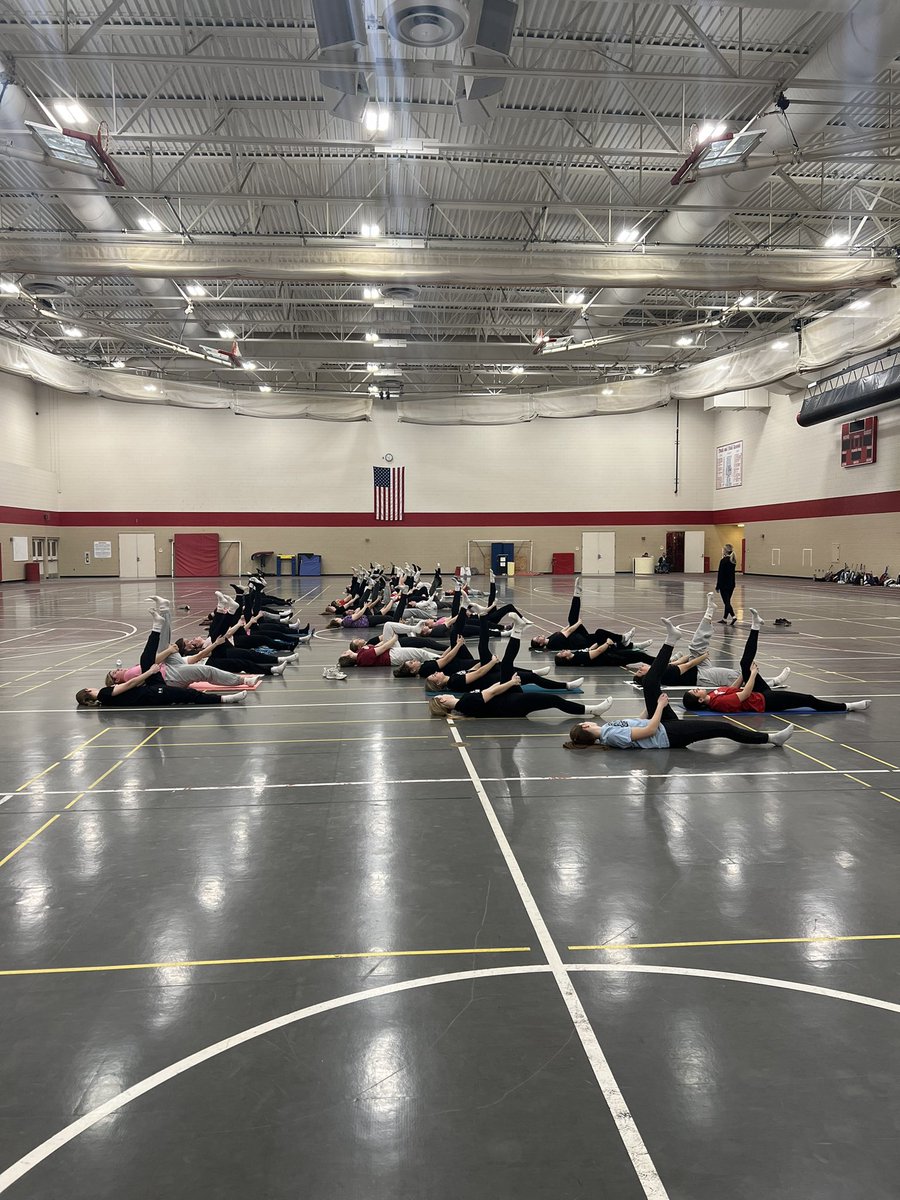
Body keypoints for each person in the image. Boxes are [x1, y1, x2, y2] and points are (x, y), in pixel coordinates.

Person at [564, 618, 795, 751]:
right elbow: (649, 731)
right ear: (585, 728)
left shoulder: (608, 730)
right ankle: (771, 739)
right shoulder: (610, 736)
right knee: (722, 729)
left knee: (651, 682)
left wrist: (652, 706)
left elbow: (640, 722)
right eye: (584, 723)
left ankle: (671, 640)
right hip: (668, 734)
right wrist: (661, 706)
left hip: (662, 723)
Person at [682, 611, 870, 714]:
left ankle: (756, 626)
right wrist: (753, 674)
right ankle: (848, 706)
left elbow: (734, 687)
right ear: (699, 699)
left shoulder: (715, 693)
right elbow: (745, 694)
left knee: (744, 661)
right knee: (809, 700)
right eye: (694, 691)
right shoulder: (719, 704)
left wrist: (744, 673)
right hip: (765, 701)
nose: (696, 688)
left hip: (759, 693)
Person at [428, 615, 612, 720]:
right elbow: (490, 694)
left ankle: (518, 629)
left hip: (506, 696)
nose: (443, 695)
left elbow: (490, 690)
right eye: (441, 696)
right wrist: (511, 682)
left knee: (507, 664)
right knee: (554, 700)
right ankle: (591, 710)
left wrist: (508, 682)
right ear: (443, 702)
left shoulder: (464, 702)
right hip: (511, 705)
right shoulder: (465, 703)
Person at [76, 611, 248, 707]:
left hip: (155, 683)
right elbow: (131, 684)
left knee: (146, 658)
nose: (119, 670)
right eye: (115, 672)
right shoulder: (105, 695)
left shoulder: (105, 699)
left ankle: (158, 624)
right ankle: (225, 699)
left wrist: (151, 669)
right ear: (87, 692)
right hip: (156, 691)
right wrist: (150, 671)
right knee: (190, 695)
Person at [626, 593, 791, 690]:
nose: (640, 668)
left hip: (696, 668)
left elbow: (682, 663)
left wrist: (693, 655)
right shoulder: (662, 674)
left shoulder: (660, 668)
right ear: (648, 676)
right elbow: (687, 666)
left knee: (695, 645)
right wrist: (701, 658)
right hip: (701, 677)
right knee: (736, 676)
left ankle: (709, 611)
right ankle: (773, 682)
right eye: (640, 671)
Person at [106, 603, 276, 689]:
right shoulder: (128, 680)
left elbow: (153, 661)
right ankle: (244, 680)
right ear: (115, 681)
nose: (118, 670)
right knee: (216, 668)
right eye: (115, 673)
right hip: (169, 676)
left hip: (172, 665)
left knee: (165, 643)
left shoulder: (130, 672)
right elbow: (149, 665)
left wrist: (170, 652)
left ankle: (164, 611)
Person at [529, 578, 651, 652]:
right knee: (601, 635)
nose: (539, 635)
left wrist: (574, 622)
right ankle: (630, 642)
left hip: (580, 637)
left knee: (573, 620)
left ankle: (625, 640)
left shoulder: (550, 638)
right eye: (537, 638)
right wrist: (578, 623)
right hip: (582, 642)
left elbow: (564, 629)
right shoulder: (552, 642)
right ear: (540, 644)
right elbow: (569, 631)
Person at [716, 544, 738, 624]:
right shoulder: (733, 560)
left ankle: (733, 616)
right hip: (731, 584)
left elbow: (721, 574)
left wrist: (718, 586)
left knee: (726, 602)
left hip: (724, 585)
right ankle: (724, 619)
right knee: (727, 601)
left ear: (725, 551)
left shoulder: (723, 560)